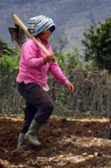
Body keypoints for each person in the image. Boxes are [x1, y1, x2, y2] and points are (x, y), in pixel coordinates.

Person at [16, 15, 74, 150]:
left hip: (37, 83)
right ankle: (31, 133)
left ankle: (21, 147)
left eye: (50, 30)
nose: (49, 33)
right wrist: (44, 60)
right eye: (46, 30)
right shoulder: (29, 45)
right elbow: (30, 63)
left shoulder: (46, 46)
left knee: (31, 114)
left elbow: (54, 66)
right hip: (27, 83)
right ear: (38, 30)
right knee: (47, 106)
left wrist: (65, 81)